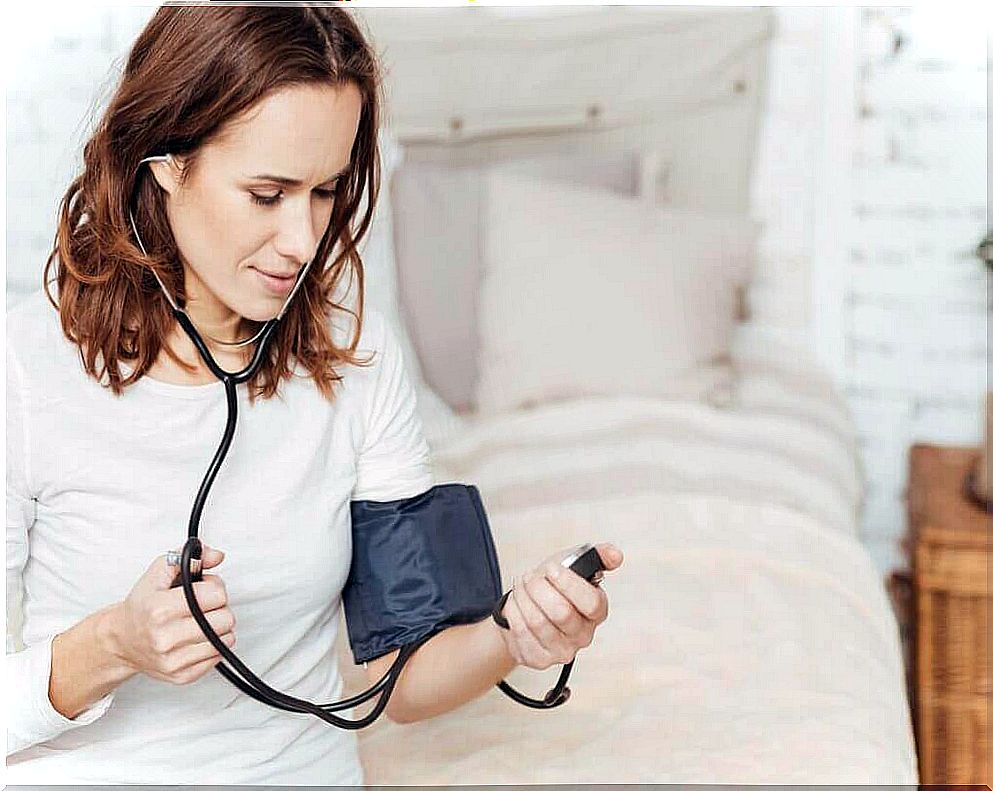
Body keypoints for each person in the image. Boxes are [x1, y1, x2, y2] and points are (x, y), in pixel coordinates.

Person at [5, 5, 624, 785]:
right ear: (162, 164)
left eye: (326, 192)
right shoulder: (23, 371)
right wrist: (112, 646)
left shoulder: (356, 353)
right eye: (268, 193)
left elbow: (406, 676)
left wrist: (514, 631)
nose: (303, 241)